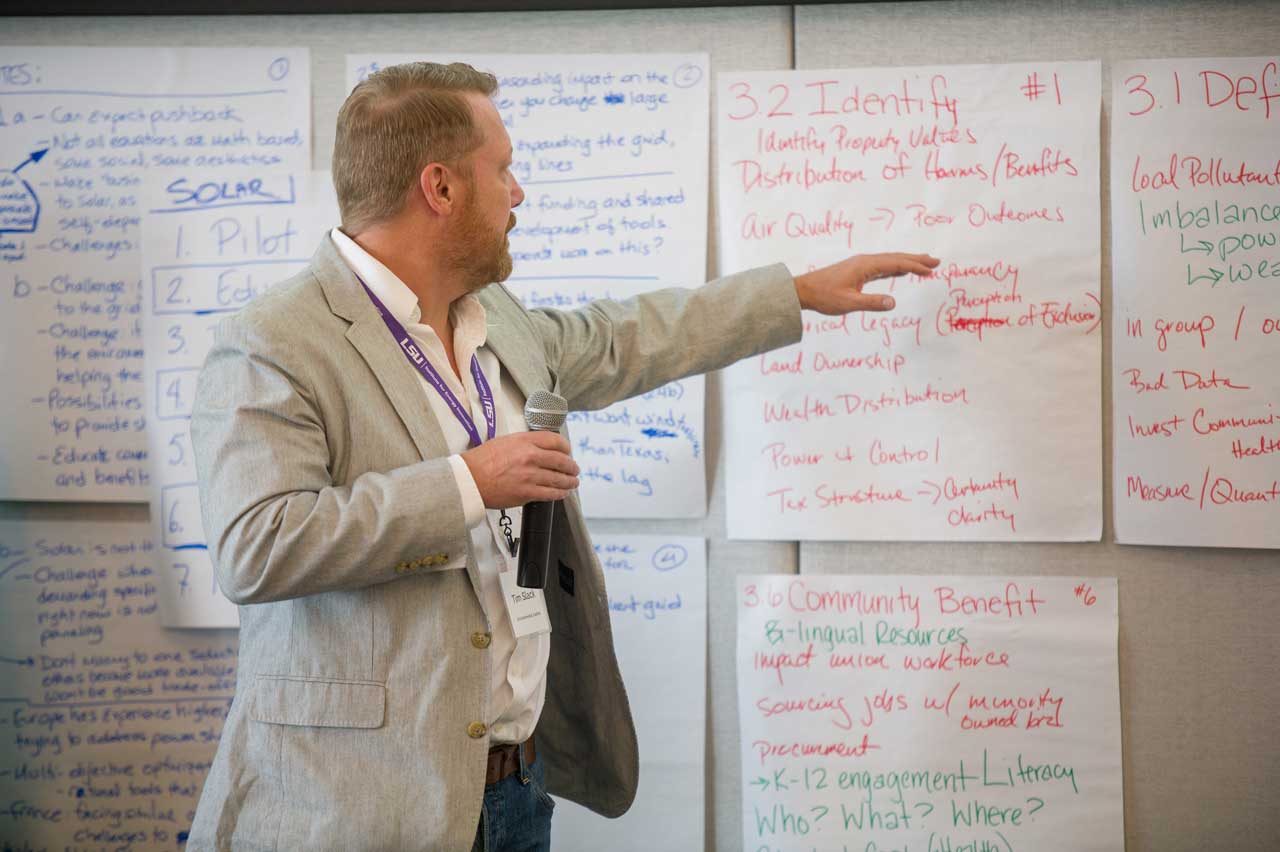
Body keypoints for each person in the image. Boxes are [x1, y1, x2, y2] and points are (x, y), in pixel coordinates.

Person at [185, 62, 938, 852]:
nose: (518, 194)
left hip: (515, 793)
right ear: (439, 188)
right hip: (353, 811)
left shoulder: (489, 317)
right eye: (503, 170)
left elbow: (622, 338)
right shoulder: (274, 341)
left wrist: (799, 291)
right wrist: (468, 483)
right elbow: (255, 547)